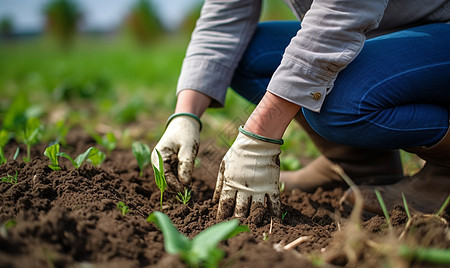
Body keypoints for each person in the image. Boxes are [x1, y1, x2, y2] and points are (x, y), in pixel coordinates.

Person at [152, 0, 450, 220]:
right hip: (382, 28)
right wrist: (185, 116)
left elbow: (343, 10)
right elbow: (225, 15)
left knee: (342, 101)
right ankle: (361, 165)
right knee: (250, 55)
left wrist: (259, 137)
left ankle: (444, 175)